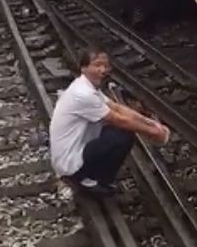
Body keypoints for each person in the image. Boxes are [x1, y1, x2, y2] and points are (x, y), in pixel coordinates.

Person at [49, 48, 170, 196]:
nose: (103, 70)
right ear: (84, 67)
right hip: (69, 163)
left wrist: (151, 124)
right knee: (122, 135)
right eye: (97, 65)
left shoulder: (88, 87)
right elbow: (118, 119)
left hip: (78, 148)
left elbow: (118, 108)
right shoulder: (82, 94)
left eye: (106, 66)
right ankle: (87, 180)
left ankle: (98, 177)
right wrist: (153, 132)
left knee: (120, 132)